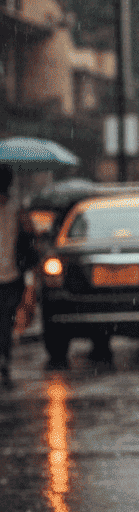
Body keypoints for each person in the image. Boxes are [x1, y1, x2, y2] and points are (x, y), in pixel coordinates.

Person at [0, 166, 37, 389]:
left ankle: (4, 357)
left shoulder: (17, 209)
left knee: (4, 320)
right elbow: (30, 236)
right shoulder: (18, 208)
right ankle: (4, 356)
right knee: (5, 320)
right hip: (12, 275)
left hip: (12, 275)